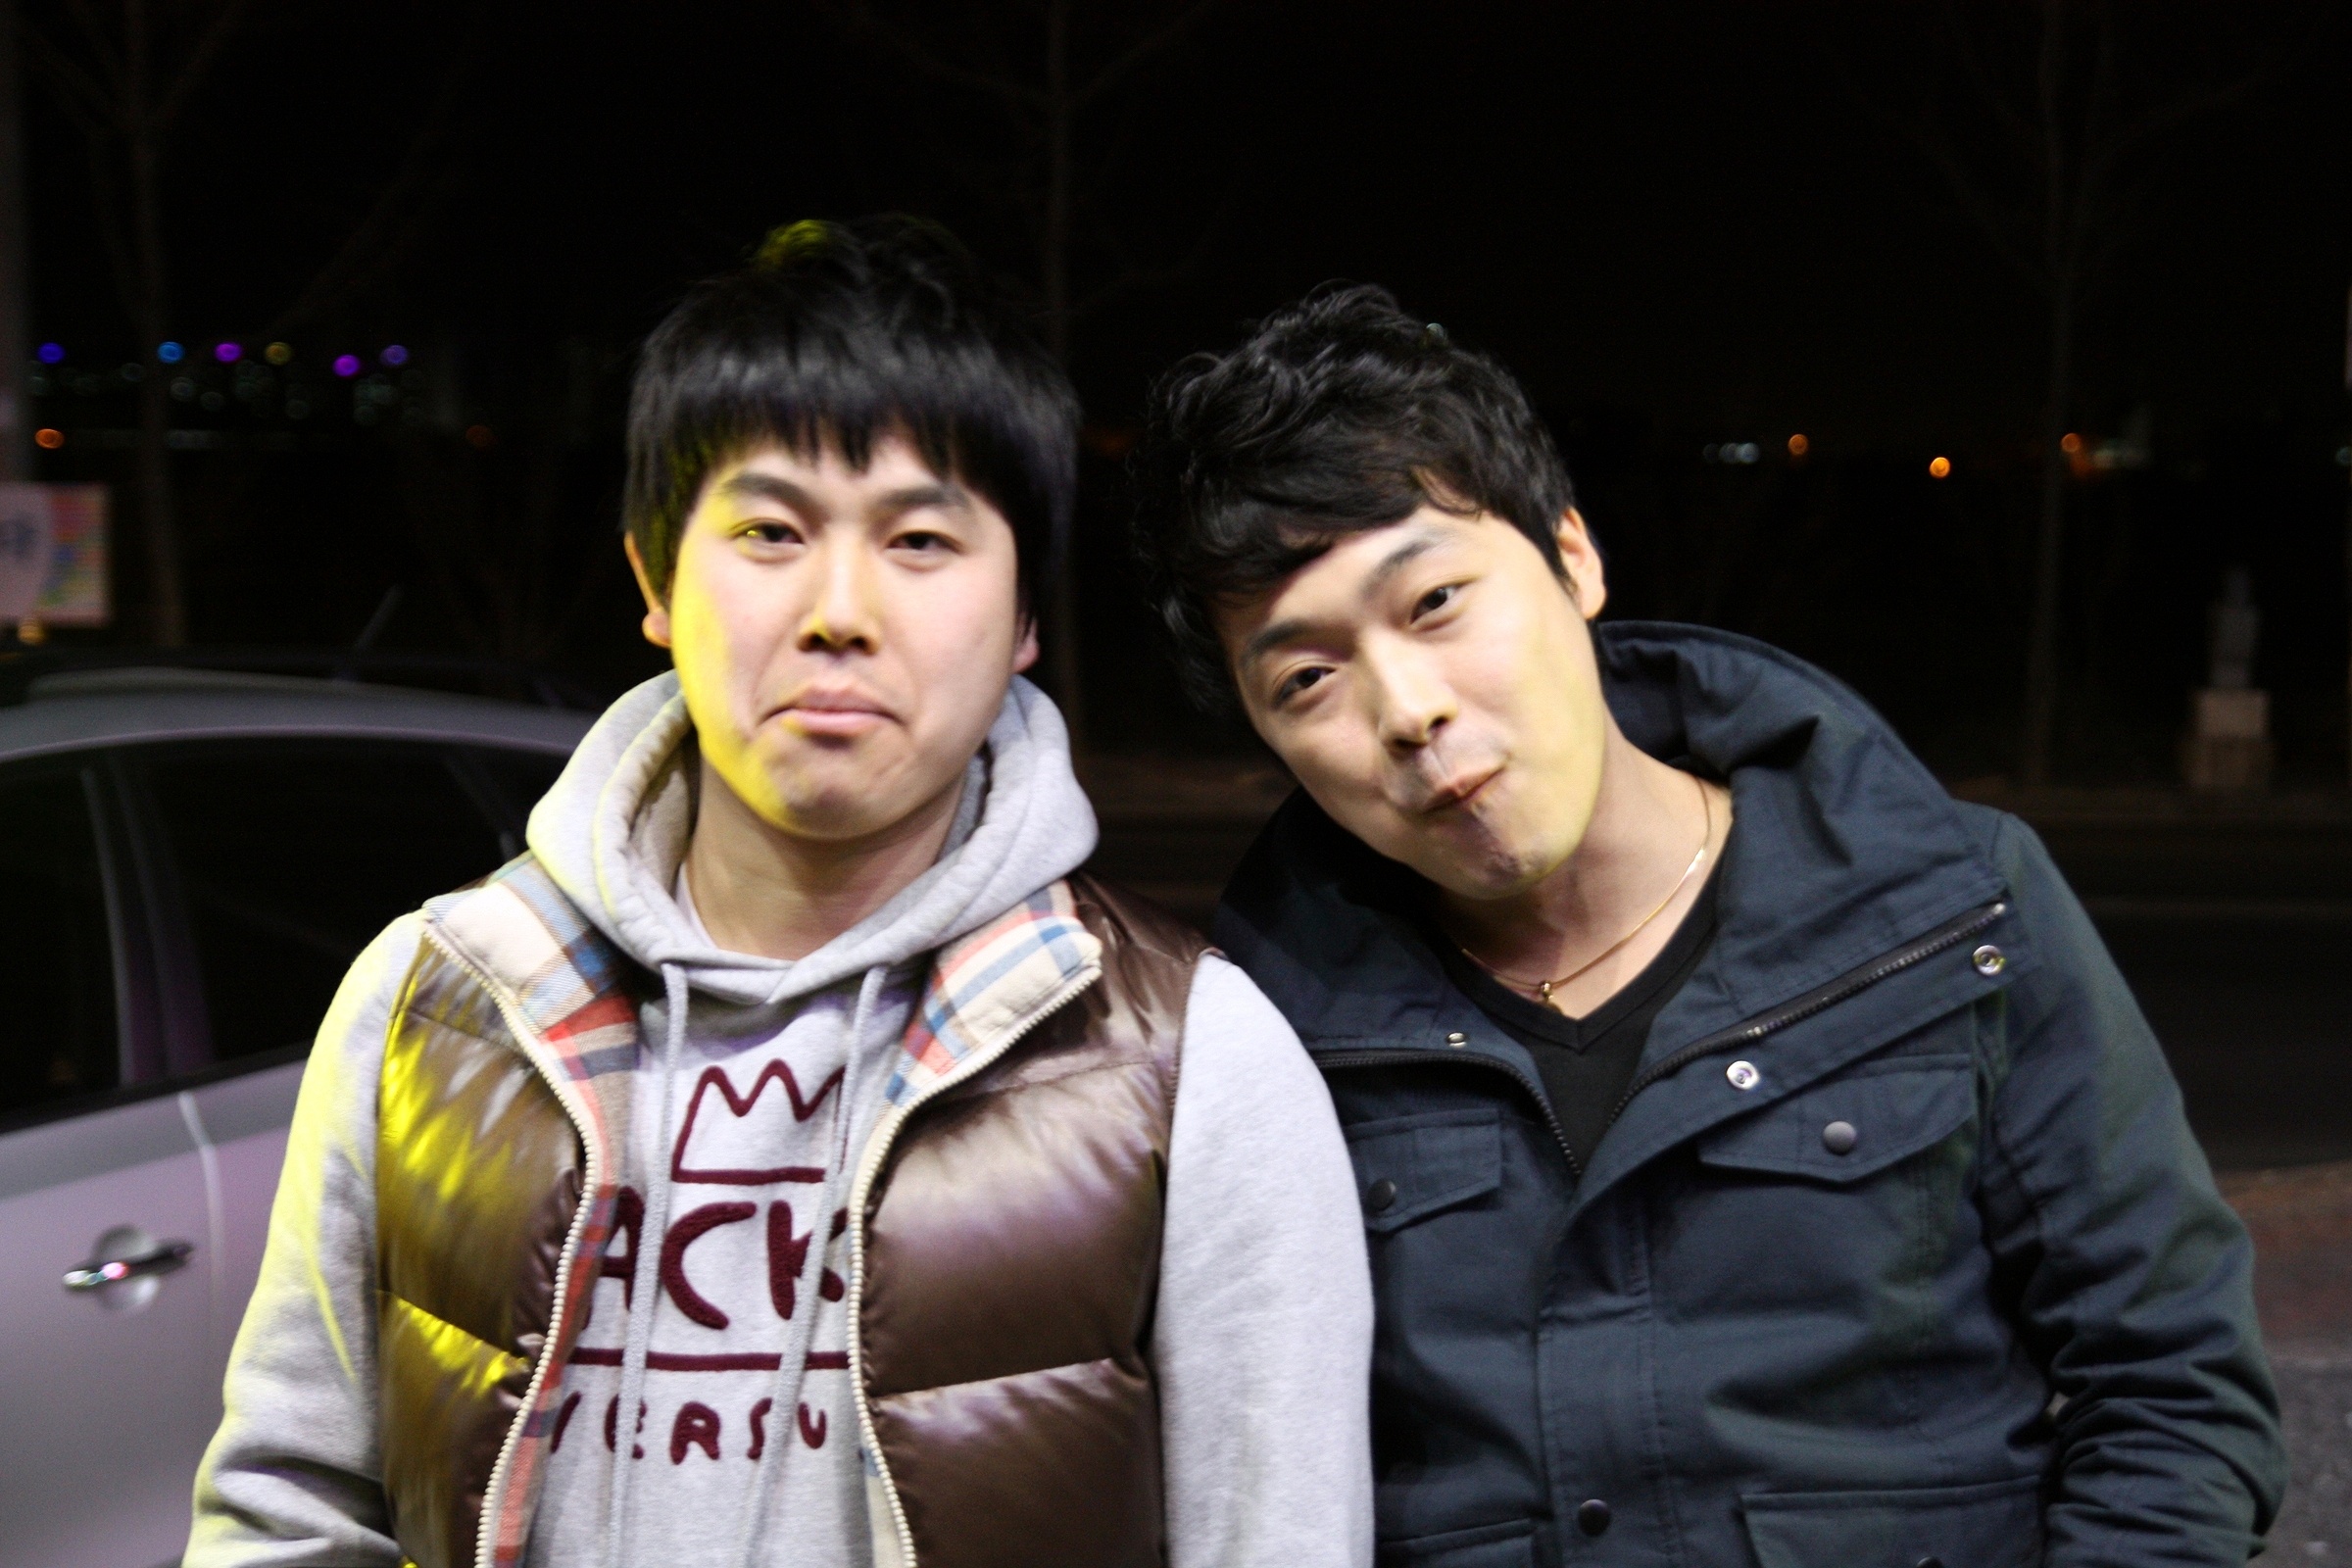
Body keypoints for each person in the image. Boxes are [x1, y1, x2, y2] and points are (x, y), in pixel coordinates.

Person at [187, 219, 1372, 1568]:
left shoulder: (1189, 1063)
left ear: (1027, 616)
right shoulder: (435, 1004)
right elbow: (282, 1517)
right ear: (654, 579)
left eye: (920, 539)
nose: (838, 611)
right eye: (768, 530)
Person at [1129, 284, 2286, 1568]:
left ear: (1574, 558)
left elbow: (2171, 1384)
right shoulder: (1258, 1029)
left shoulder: (1950, 902)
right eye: (1307, 677)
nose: (1406, 710)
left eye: (1437, 602)